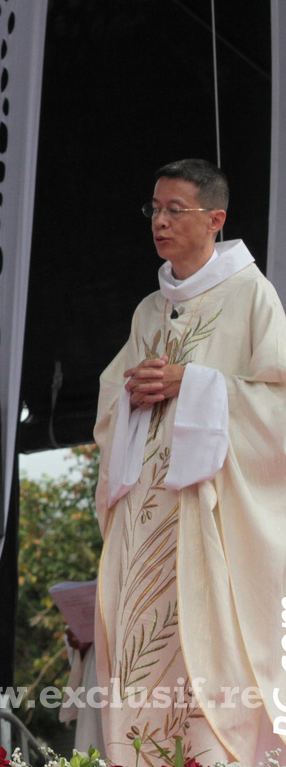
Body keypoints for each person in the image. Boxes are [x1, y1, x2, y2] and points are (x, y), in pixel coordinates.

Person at [94, 159, 286, 764]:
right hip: (149, 516)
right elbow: (112, 395)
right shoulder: (151, 310)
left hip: (211, 513)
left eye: (177, 209)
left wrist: (194, 383)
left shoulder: (250, 293)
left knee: (208, 641)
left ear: (216, 219)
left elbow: (278, 404)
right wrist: (134, 391)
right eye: (155, 207)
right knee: (141, 649)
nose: (160, 220)